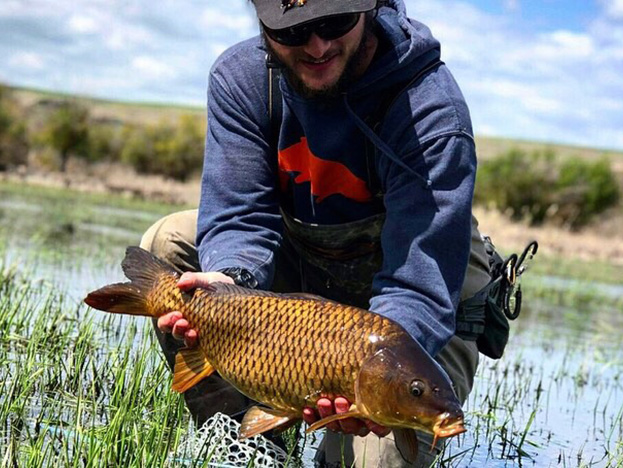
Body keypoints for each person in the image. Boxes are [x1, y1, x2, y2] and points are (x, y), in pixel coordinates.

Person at [140, 0, 492, 466]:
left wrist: (366, 381)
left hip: (416, 297)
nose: (318, 45)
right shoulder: (241, 78)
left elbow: (418, 284)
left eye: (334, 23)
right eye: (292, 32)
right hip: (303, 275)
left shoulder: (431, 109)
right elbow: (241, 217)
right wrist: (231, 282)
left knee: (372, 458)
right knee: (169, 242)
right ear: (262, 22)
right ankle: (249, 447)